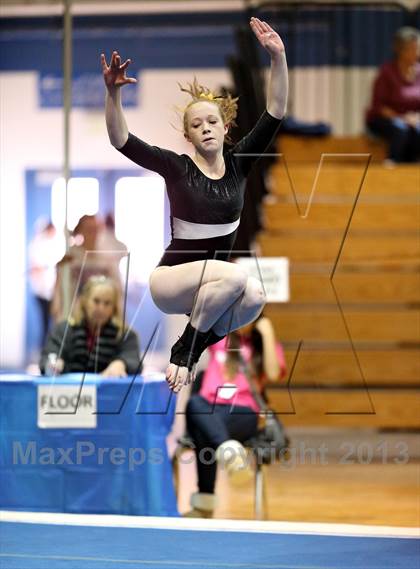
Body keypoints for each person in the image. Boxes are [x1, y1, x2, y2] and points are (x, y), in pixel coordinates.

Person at [102, 17, 288, 392]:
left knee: (254, 297)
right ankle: (185, 351)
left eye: (212, 121)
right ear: (188, 135)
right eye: (197, 123)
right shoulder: (177, 167)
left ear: (224, 128)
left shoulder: (239, 163)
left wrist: (278, 58)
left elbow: (275, 113)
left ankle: (191, 347)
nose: (205, 127)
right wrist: (112, 94)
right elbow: (121, 140)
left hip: (210, 289)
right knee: (237, 276)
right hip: (171, 281)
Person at [184, 315, 287, 518]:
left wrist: (267, 333)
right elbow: (200, 318)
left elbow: (274, 374)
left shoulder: (263, 347)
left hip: (243, 412)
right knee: (195, 404)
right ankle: (230, 453)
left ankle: (205, 504)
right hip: (210, 408)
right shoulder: (220, 338)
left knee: (205, 430)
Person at [40, 275, 141, 377]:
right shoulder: (63, 330)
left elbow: (134, 361)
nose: (101, 309)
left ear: (114, 307)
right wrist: (53, 364)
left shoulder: (126, 335)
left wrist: (121, 363)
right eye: (96, 301)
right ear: (84, 301)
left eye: (107, 303)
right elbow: (48, 357)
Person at [51, 214, 124, 322]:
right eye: (89, 229)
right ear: (80, 231)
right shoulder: (71, 257)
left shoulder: (107, 259)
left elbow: (117, 289)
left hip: (102, 320)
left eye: (96, 229)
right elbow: (60, 289)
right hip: (75, 318)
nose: (93, 234)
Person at [366, 27, 420, 163]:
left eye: (417, 48)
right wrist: (403, 118)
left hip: (413, 120)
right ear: (401, 51)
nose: (417, 53)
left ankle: (413, 168)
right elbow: (379, 106)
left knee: (417, 130)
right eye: (413, 49)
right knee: (400, 129)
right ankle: (392, 165)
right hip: (385, 119)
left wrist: (415, 117)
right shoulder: (387, 72)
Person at [28, 219, 64, 348]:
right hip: (41, 293)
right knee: (45, 324)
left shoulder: (53, 245)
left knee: (54, 325)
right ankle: (43, 352)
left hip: (52, 292)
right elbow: (37, 268)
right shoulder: (38, 245)